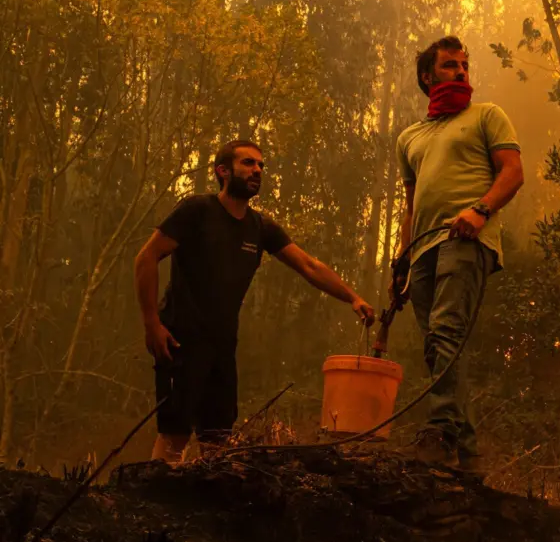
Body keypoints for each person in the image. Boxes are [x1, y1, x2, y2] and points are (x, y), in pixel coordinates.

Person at [134, 140, 376, 462]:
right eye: (248, 163)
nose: (257, 170)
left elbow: (309, 266)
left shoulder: (260, 228)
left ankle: (202, 505)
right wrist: (152, 323)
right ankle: (152, 501)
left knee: (217, 438)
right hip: (180, 338)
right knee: (175, 434)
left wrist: (353, 297)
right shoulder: (197, 210)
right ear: (223, 171)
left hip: (222, 346)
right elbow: (146, 258)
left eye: (261, 165)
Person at [393, 36, 524, 472]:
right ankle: (467, 455)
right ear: (428, 77)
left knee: (447, 330)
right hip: (422, 248)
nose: (462, 73)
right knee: (437, 346)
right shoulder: (409, 138)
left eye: (465, 66)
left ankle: (440, 432)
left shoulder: (487, 115)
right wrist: (400, 258)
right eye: (450, 66)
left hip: (466, 240)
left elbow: (513, 172)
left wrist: (481, 209)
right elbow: (412, 206)